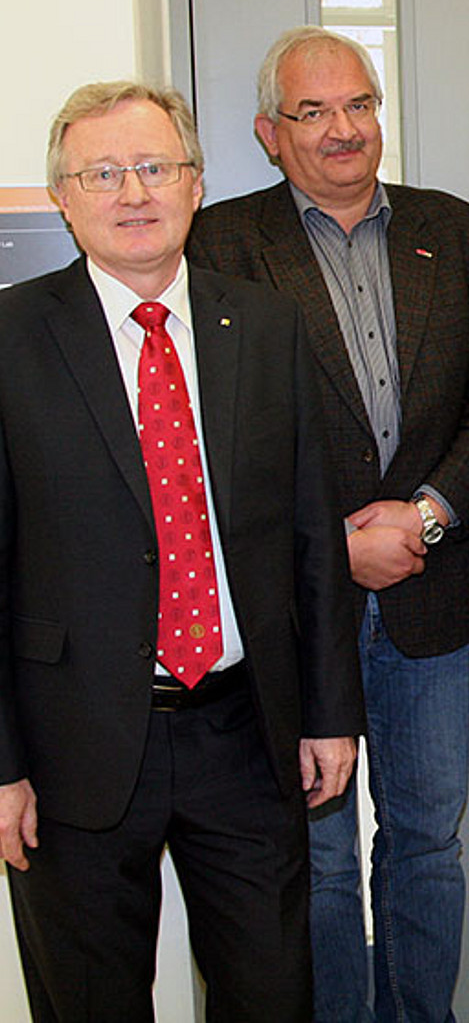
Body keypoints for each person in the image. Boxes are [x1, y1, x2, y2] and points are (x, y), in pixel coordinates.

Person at [0, 81, 364, 1021]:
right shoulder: (9, 339)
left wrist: (329, 713)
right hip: (68, 743)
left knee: (272, 993)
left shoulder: (268, 326)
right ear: (65, 197)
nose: (133, 192)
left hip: (244, 731)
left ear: (196, 184)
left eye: (155, 167)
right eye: (103, 172)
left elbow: (315, 537)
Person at [187, 27, 469, 1022]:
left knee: (424, 837)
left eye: (360, 104)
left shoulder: (452, 231)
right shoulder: (219, 244)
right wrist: (330, 542)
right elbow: (204, 435)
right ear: (269, 133)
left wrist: (428, 513)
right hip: (288, 606)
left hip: (428, 585)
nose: (344, 129)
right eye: (313, 111)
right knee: (313, 848)